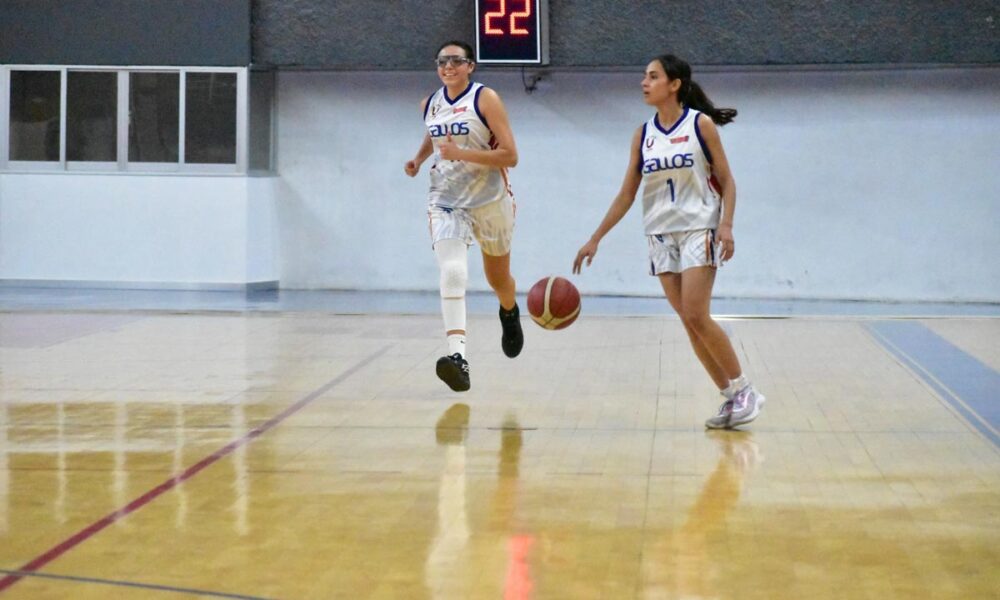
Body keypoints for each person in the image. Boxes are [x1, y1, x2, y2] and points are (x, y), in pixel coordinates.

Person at [572, 54, 765, 428]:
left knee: (696, 313)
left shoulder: (699, 125)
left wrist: (726, 225)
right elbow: (627, 193)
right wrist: (595, 238)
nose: (644, 83)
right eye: (644, 76)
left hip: (698, 227)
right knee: (688, 321)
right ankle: (730, 397)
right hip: (659, 232)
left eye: (653, 76)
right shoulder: (643, 134)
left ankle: (746, 391)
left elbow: (727, 181)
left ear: (674, 84)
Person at [405, 41, 523, 392]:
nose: (448, 66)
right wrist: (419, 159)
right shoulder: (429, 103)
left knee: (498, 279)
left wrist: (462, 154)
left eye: (456, 61)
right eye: (442, 61)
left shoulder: (486, 99)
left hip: (490, 200)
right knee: (453, 271)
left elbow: (511, 155)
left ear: (470, 65)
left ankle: (509, 311)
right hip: (445, 200)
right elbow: (434, 134)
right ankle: (458, 356)